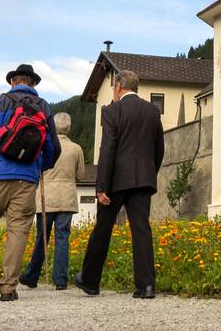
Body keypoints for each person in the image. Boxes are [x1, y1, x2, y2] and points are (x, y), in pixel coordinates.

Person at [0, 63, 61, 301]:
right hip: (26, 179)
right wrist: (38, 166)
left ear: (13, 81)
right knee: (18, 229)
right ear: (33, 83)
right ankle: (8, 287)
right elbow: (53, 148)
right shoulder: (44, 107)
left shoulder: (1, 102)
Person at [75, 70, 164, 299]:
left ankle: (90, 281)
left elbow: (108, 150)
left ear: (117, 87)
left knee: (103, 229)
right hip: (143, 179)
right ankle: (146, 286)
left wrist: (101, 186)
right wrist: (148, 174)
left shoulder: (112, 111)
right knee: (141, 230)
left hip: (116, 182)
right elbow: (158, 149)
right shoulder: (153, 111)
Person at [20, 112, 85, 290]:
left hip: (46, 197)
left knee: (42, 237)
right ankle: (61, 281)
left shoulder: (44, 145)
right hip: (67, 198)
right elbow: (80, 175)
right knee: (62, 238)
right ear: (69, 128)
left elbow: (36, 168)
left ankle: (31, 276)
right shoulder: (76, 148)